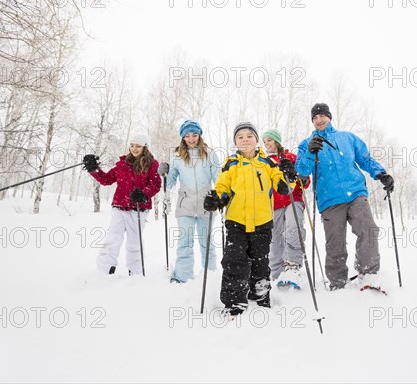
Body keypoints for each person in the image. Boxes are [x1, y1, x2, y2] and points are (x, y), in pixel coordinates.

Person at [295, 103, 394, 290]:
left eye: (322, 116)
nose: (319, 120)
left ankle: (369, 274)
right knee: (335, 242)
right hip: (329, 199)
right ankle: (337, 283)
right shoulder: (306, 144)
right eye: (315, 118)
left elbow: (365, 159)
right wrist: (310, 152)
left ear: (329, 117)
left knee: (368, 230)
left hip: (356, 192)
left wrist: (381, 174)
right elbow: (301, 171)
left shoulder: (347, 138)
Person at [203, 122, 297, 316]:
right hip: (236, 221)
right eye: (240, 137)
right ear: (235, 142)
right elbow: (223, 187)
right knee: (234, 260)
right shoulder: (230, 163)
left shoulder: (267, 163)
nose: (245, 140)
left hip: (262, 222)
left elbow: (283, 186)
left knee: (260, 261)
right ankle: (234, 300)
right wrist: (217, 199)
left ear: (256, 140)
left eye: (249, 136)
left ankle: (260, 294)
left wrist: (290, 175)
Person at [83, 132, 161, 275]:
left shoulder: (152, 164)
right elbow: (106, 179)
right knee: (112, 239)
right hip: (119, 207)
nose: (134, 148)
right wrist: (93, 169)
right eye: (132, 145)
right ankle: (104, 270)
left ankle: (135, 272)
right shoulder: (123, 164)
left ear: (145, 147)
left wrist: (144, 194)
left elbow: (155, 184)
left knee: (134, 242)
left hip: (138, 209)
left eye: (138, 146)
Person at [157, 120, 221, 283]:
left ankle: (210, 275)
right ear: (183, 137)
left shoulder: (210, 154)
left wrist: (218, 197)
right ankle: (182, 276)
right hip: (185, 204)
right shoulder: (177, 157)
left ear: (200, 135)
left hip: (206, 205)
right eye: (187, 136)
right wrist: (163, 173)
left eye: (195, 135)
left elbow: (219, 179)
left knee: (206, 242)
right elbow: (169, 182)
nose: (192, 139)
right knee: (185, 242)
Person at [262, 128, 310, 289]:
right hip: (274, 203)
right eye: (264, 141)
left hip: (292, 198)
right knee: (274, 236)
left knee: (293, 227)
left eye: (269, 140)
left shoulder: (291, 157)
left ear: (277, 141)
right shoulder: (264, 161)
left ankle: (292, 265)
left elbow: (305, 181)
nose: (266, 143)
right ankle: (275, 272)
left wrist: (300, 176)